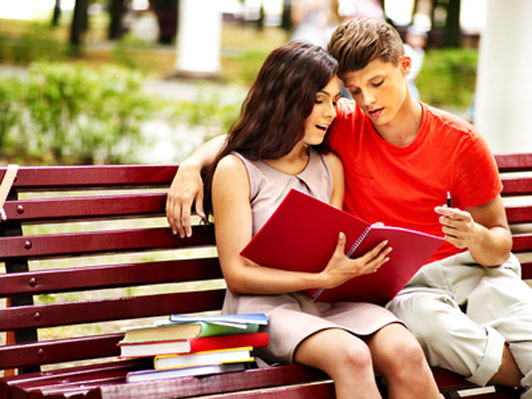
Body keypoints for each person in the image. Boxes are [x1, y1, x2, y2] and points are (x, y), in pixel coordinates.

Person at [166, 17, 532, 397]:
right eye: (353, 91)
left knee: (425, 345)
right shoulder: (336, 124)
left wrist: (473, 236)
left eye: (376, 84)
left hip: (460, 271)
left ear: (405, 67)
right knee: (387, 341)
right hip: (388, 290)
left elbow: (499, 242)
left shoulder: (454, 141)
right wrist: (192, 165)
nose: (366, 101)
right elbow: (256, 133)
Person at [187, 40, 440, 399]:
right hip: (265, 310)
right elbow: (237, 274)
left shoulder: (330, 166)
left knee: (406, 350)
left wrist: (359, 261)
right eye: (319, 100)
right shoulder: (237, 170)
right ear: (285, 99)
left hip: (327, 302)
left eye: (334, 101)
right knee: (351, 354)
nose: (331, 113)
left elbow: (329, 248)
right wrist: (321, 277)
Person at [403, 24, 427, 100]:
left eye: (418, 38)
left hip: (410, 81)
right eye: (413, 37)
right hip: (403, 79)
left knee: (415, 98)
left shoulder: (420, 52)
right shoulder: (405, 48)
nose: (416, 40)